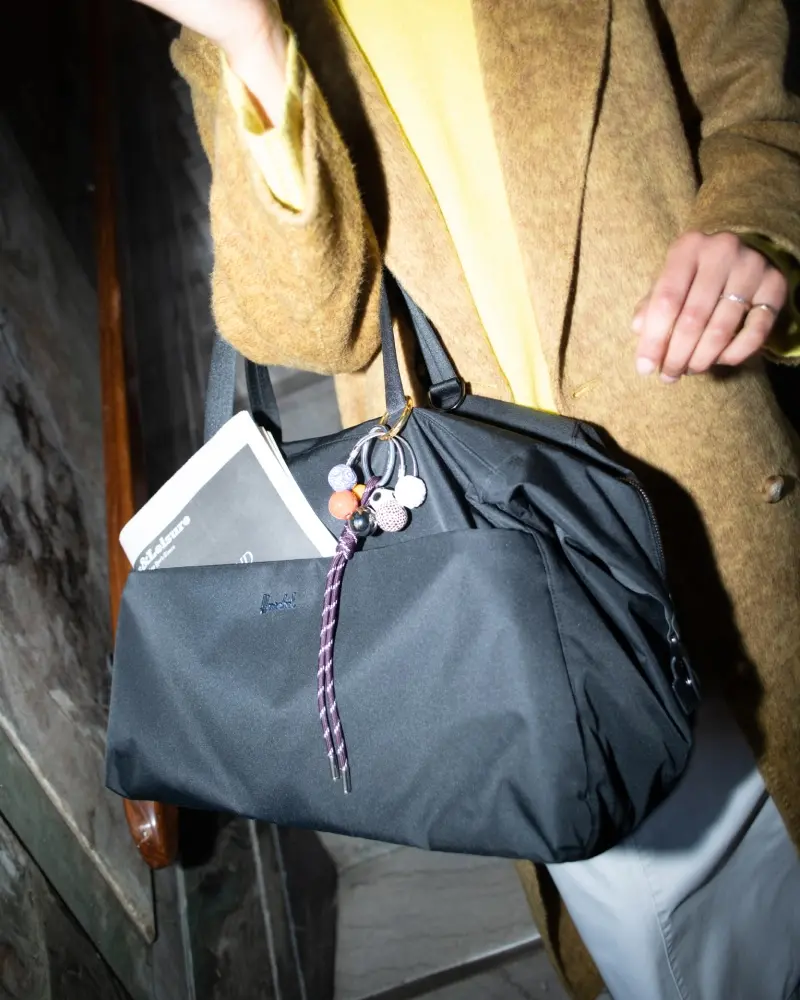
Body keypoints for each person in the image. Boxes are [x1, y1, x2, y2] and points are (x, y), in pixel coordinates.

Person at [133, 1, 800, 997]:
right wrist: (250, 44)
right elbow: (306, 330)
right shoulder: (241, 20)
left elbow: (756, 106)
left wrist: (756, 232)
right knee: (690, 943)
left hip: (714, 478)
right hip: (512, 591)